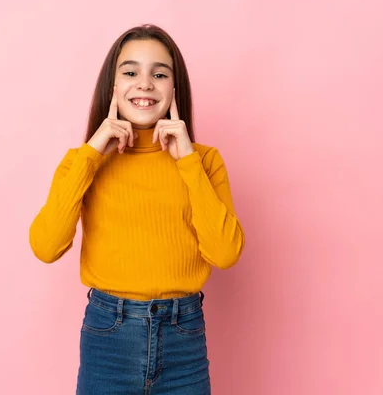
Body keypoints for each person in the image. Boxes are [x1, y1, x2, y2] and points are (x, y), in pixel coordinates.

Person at [29, 24, 245, 395]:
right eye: (130, 72)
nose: (144, 83)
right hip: (108, 337)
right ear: (111, 88)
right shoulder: (81, 163)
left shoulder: (204, 162)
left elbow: (225, 253)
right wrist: (92, 155)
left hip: (185, 338)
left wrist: (187, 162)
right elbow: (47, 247)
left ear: (174, 89)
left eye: (159, 74)